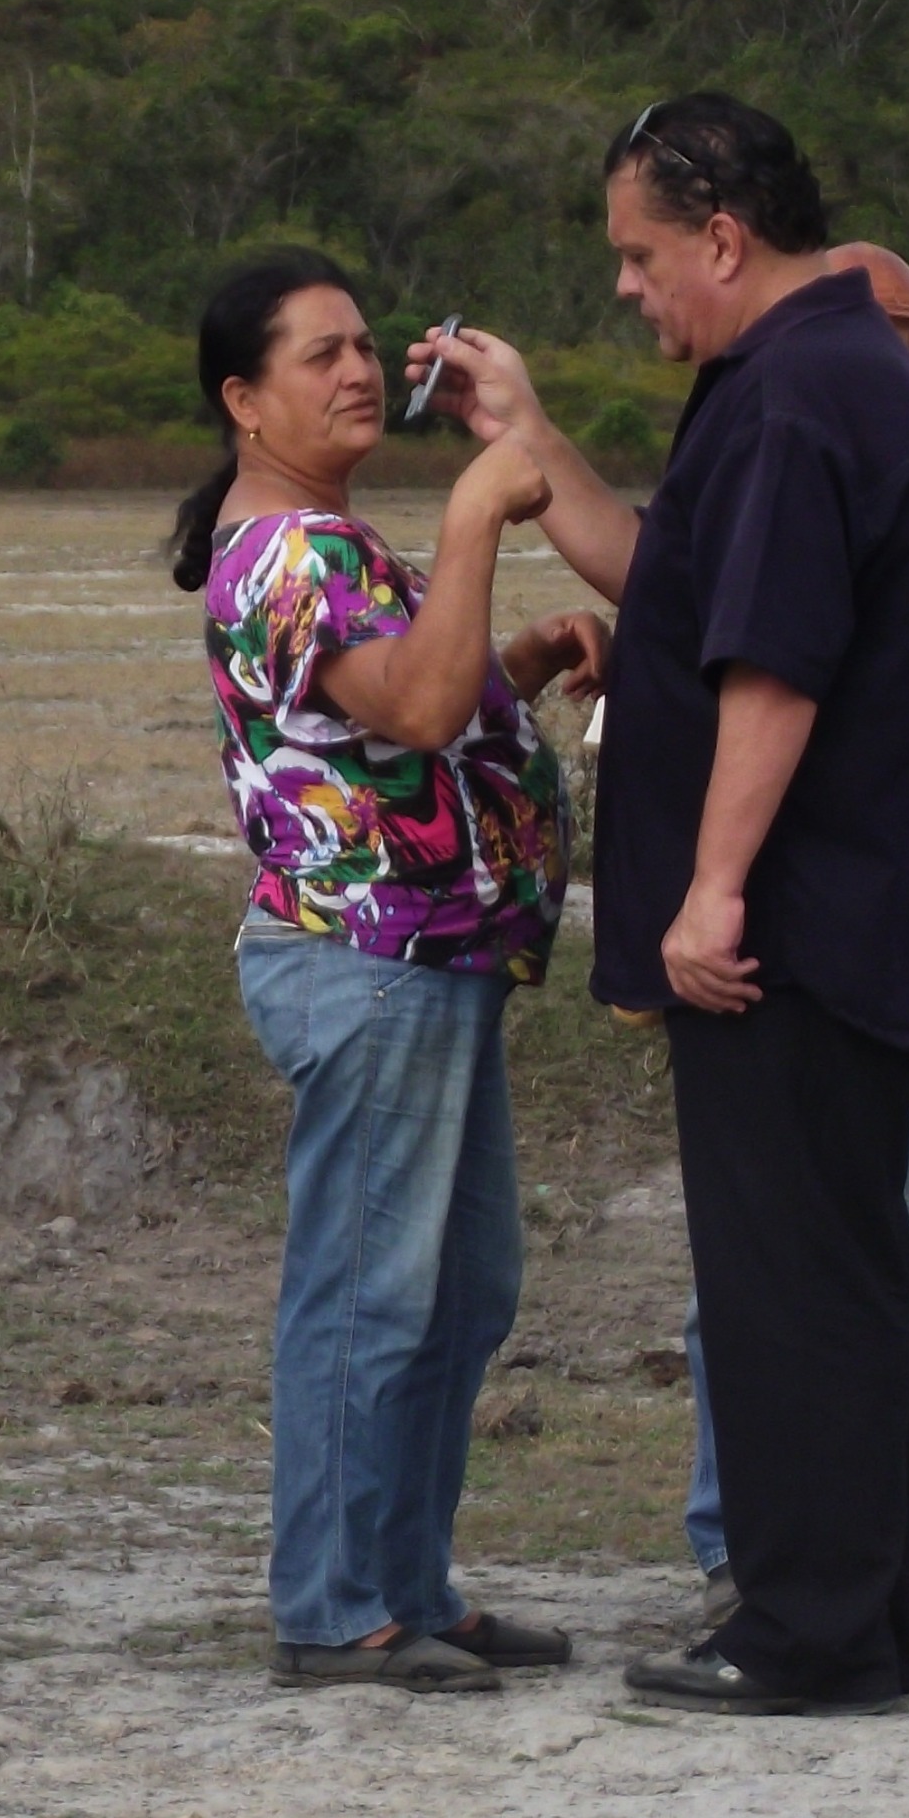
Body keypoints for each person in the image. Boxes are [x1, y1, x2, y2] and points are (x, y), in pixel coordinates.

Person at [409, 95, 909, 1716]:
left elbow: (773, 663)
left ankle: (806, 1632)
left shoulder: (802, 395)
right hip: (842, 916)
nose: (626, 287)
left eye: (639, 254)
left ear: (722, 234)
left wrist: (711, 889)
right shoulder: (799, 379)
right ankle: (862, 1615)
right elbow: (669, 578)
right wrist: (527, 432)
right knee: (837, 1270)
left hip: (792, 927)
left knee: (789, 1284)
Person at [174, 253, 602, 1696]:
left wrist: (526, 653)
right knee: (370, 1290)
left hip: (435, 956)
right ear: (244, 399)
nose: (358, 372)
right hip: (368, 957)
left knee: (460, 1286)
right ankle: (335, 1603)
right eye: (319, 357)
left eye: (366, 348)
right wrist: (482, 506)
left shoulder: (329, 541)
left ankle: (407, 1581)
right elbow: (418, 706)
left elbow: (400, 705)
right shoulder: (293, 553)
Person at [678, 240, 909, 1643]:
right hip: (782, 948)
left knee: (893, 1257)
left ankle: (903, 1527)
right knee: (774, 1264)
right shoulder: (755, 491)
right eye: (876, 339)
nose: (903, 370)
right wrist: (697, 896)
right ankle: (752, 1538)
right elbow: (689, 727)